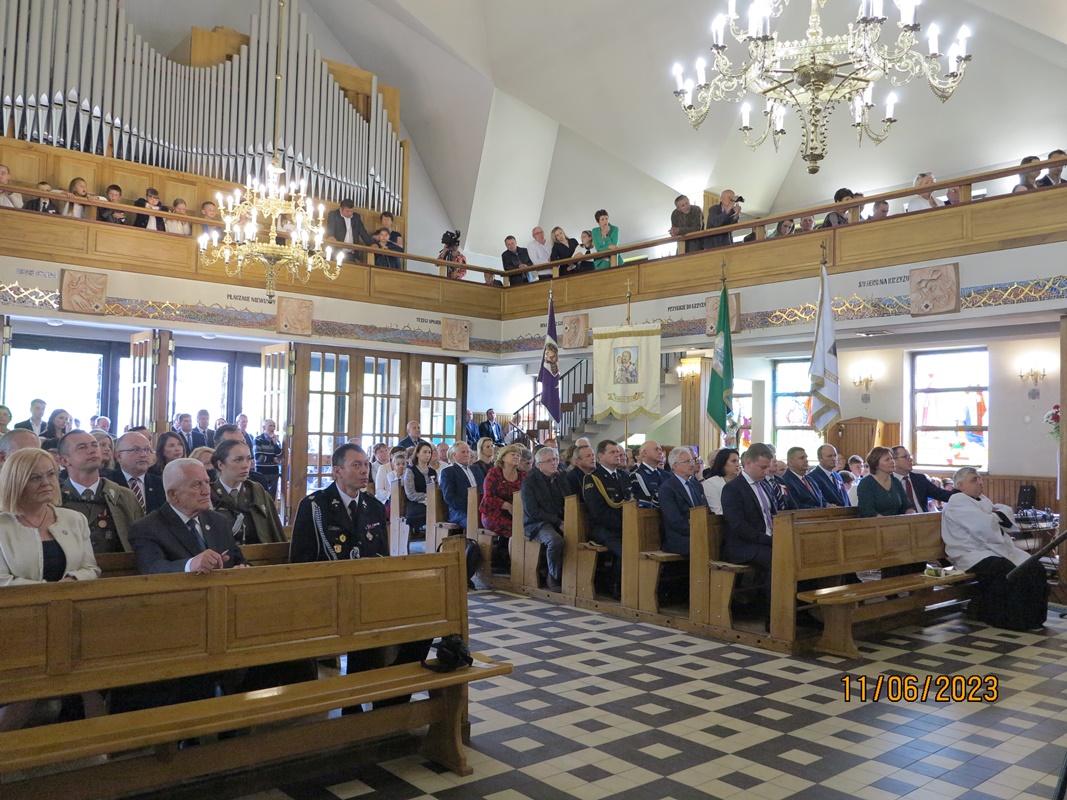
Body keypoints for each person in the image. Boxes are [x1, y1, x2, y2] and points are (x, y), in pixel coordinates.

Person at [289, 443, 427, 711]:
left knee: (421, 627)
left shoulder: (373, 506)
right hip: (324, 598)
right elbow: (300, 562)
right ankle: (353, 703)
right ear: (337, 471)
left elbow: (382, 557)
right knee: (363, 623)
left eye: (365, 464)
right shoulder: (315, 506)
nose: (365, 471)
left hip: (367, 598)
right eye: (356, 465)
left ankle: (388, 703)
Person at [0, 448, 103, 732]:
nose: (46, 483)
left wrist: (72, 581)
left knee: (93, 680)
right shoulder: (3, 525)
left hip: (71, 615)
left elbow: (91, 568)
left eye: (50, 475)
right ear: (16, 481)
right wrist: (49, 594)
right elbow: (2, 580)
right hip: (17, 622)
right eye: (35, 478)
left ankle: (100, 748)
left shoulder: (73, 519)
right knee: (28, 689)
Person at [941, 467, 1049, 631]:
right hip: (970, 553)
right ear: (961, 485)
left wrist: (993, 516)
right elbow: (985, 526)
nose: (980, 482)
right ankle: (1005, 618)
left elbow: (1004, 512)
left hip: (992, 549)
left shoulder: (981, 500)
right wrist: (994, 516)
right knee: (1008, 571)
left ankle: (1034, 619)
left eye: (980, 478)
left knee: (1035, 566)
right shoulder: (957, 502)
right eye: (974, 480)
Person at [128, 458, 248, 574]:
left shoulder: (219, 521)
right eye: (197, 485)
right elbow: (152, 569)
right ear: (173, 494)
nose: (206, 491)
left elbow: (237, 559)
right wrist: (190, 565)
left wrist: (242, 567)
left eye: (207, 482)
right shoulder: (147, 528)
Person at [57, 430, 143, 554]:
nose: (92, 450)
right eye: (82, 447)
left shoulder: (124, 496)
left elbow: (141, 540)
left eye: (94, 445)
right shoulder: (55, 498)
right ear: (64, 460)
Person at [210, 439, 285, 545]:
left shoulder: (257, 491)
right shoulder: (208, 494)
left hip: (259, 553)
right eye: (238, 460)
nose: (246, 465)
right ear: (220, 464)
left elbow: (274, 533)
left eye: (248, 459)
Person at [582, 440, 630, 595]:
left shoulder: (623, 476)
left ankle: (632, 587)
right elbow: (598, 512)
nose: (617, 455)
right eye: (612, 452)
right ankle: (616, 587)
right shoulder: (593, 479)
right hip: (604, 529)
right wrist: (624, 524)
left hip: (625, 526)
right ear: (601, 457)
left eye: (618, 452)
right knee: (627, 551)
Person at [720, 443, 776, 572]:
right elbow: (738, 525)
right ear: (749, 463)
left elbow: (773, 515)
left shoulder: (765, 486)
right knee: (777, 557)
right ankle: (769, 587)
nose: (766, 472)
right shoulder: (733, 488)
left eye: (768, 467)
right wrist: (767, 540)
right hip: (743, 546)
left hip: (767, 541)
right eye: (763, 467)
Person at [521, 446, 566, 591]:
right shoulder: (529, 482)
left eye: (555, 459)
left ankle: (573, 576)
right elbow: (532, 511)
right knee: (555, 540)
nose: (554, 463)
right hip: (537, 523)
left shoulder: (560, 477)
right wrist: (558, 522)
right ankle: (553, 576)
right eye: (549, 461)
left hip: (560, 519)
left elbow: (569, 499)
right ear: (539, 465)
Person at [480, 444, 525, 571]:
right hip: (493, 513)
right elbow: (488, 497)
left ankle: (522, 561)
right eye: (513, 454)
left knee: (528, 526)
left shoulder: (522, 475)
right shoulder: (494, 473)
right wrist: (508, 506)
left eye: (518, 455)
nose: (516, 457)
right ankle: (508, 560)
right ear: (503, 457)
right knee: (515, 528)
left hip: (516, 513)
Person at [658, 446, 705, 556]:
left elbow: (704, 510)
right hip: (679, 537)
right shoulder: (667, 488)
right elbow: (674, 521)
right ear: (675, 466)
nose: (692, 464)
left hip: (698, 531)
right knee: (703, 543)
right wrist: (697, 531)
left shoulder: (696, 486)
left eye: (692, 460)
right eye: (687, 461)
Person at [109, 431, 166, 513]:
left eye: (147, 449)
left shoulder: (161, 484)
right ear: (119, 456)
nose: (144, 454)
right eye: (135, 450)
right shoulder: (108, 483)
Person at [890, 446, 952, 513]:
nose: (911, 459)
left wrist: (959, 492)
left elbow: (941, 494)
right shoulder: (888, 481)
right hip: (899, 518)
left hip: (923, 518)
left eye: (909, 456)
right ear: (894, 461)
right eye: (905, 457)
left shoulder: (919, 479)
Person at [857, 447, 913, 518]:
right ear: (876, 464)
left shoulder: (895, 481)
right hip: (876, 523)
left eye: (892, 458)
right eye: (887, 460)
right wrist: (889, 523)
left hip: (897, 522)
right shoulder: (866, 483)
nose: (892, 462)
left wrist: (912, 515)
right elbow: (869, 512)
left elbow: (907, 506)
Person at [440, 442, 478, 528]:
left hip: (478, 507)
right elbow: (449, 497)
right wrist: (469, 506)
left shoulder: (476, 470)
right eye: (463, 452)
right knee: (473, 521)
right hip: (459, 510)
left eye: (468, 452)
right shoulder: (448, 472)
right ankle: (471, 537)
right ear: (454, 455)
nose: (466, 455)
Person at [403, 441, 437, 530]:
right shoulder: (410, 471)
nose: (427, 455)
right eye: (424, 452)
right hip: (415, 504)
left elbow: (436, 489)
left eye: (429, 452)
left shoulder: (433, 471)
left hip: (431, 502)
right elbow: (410, 494)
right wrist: (427, 497)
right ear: (417, 454)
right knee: (430, 511)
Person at [630, 440, 669, 507]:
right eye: (656, 449)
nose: (660, 452)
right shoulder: (637, 475)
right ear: (645, 453)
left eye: (660, 449)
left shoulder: (667, 475)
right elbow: (648, 501)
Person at [702, 447, 739, 514]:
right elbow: (717, 511)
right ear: (723, 463)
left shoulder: (739, 482)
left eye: (737, 461)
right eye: (733, 461)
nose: (737, 465)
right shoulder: (711, 483)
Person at [254, 419, 283, 497]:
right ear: (264, 427)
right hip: (262, 472)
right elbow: (258, 457)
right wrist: (273, 459)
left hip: (274, 472)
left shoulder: (276, 440)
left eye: (274, 426)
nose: (272, 428)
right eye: (270, 426)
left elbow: (280, 455)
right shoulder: (258, 439)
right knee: (261, 496)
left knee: (272, 497)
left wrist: (275, 443)